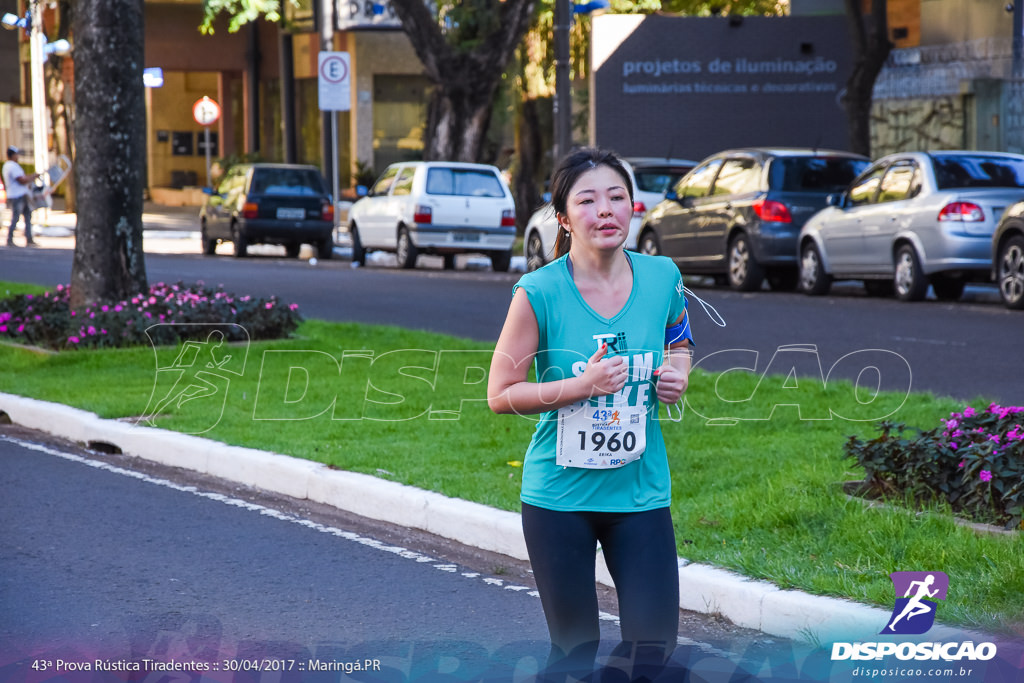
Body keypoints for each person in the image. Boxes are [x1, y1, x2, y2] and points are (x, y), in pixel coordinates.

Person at [488, 147, 693, 681]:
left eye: (617, 197)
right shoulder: (540, 291)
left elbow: (678, 339)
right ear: (563, 217)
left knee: (652, 650)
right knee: (576, 653)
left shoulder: (662, 277)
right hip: (560, 498)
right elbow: (500, 392)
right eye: (588, 200)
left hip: (640, 493)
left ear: (633, 207)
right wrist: (581, 386)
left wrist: (678, 373)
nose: (606, 210)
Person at [3, 146, 42, 247]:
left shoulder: (9, 165)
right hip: (17, 195)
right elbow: (21, 180)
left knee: (27, 215)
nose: (18, 156)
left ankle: (29, 238)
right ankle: (10, 239)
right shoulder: (12, 166)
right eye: (16, 154)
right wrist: (33, 177)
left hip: (19, 194)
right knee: (16, 217)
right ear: (12, 155)